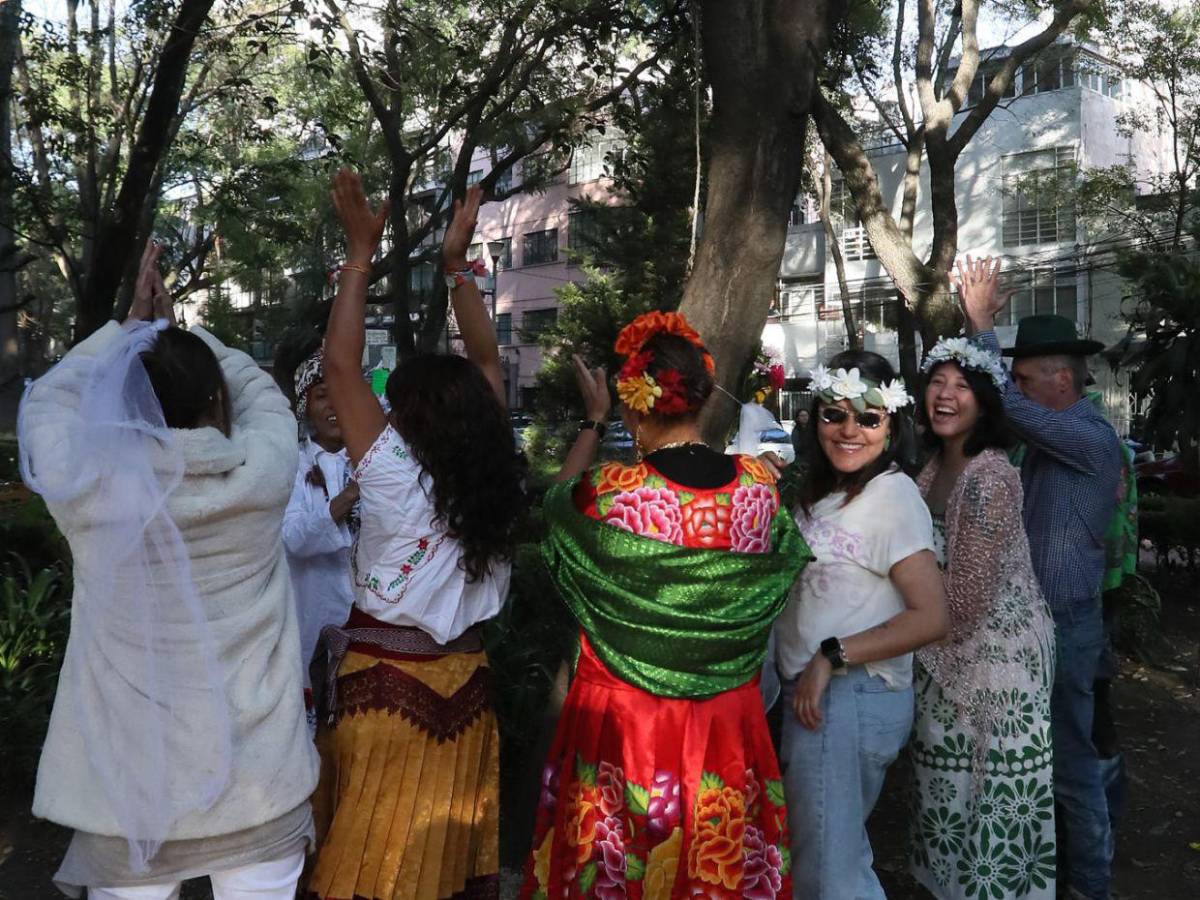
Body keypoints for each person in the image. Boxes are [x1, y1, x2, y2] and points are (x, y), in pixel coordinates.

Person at [19, 241, 319, 899]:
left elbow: (50, 400)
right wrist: (187, 332)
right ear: (214, 398)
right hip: (260, 793)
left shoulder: (87, 488)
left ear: (119, 402)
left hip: (130, 804)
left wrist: (128, 333)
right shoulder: (263, 475)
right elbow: (261, 391)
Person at [519, 310, 812, 899]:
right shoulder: (758, 488)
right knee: (717, 865)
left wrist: (593, 422)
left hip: (623, 722)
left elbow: (551, 507)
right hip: (726, 719)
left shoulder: (609, 494)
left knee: (616, 864)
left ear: (633, 406)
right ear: (703, 399)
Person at [306, 172, 525, 900]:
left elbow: (339, 367)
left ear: (408, 417)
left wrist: (360, 255)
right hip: (467, 697)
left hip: (382, 698)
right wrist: (456, 266)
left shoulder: (396, 474)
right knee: (435, 879)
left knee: (364, 871)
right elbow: (489, 363)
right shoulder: (493, 473)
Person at [956, 256, 1123, 900]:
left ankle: (1089, 886)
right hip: (1038, 625)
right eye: (1015, 378)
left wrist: (977, 326)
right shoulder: (1052, 437)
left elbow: (1008, 409)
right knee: (1038, 757)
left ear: (1061, 380)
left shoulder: (1087, 436)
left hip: (1068, 623)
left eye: (1025, 378)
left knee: (1070, 762)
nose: (1017, 389)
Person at [773, 350, 948, 900]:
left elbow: (933, 615)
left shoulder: (891, 496)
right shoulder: (820, 492)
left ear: (891, 425)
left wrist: (832, 655)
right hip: (814, 700)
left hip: (850, 697)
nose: (850, 430)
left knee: (830, 872)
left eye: (868, 418)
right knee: (827, 857)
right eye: (835, 415)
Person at [907, 337, 1057, 899]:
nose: (945, 396)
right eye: (937, 383)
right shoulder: (931, 467)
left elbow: (965, 603)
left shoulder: (989, 476)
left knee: (990, 811)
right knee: (945, 801)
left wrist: (885, 641)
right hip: (943, 657)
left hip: (999, 672)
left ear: (985, 403)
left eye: (962, 386)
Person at [283, 346, 358, 730]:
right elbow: (293, 537)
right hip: (311, 621)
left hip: (369, 626)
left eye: (342, 391)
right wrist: (346, 499)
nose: (334, 405)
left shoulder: (373, 462)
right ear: (304, 407)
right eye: (322, 394)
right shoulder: (292, 465)